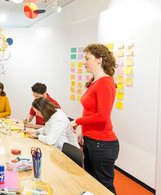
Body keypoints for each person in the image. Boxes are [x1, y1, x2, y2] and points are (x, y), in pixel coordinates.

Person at [70, 43, 119, 194]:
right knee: (92, 184)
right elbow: (90, 111)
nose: (84, 62)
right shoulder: (94, 82)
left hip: (103, 143)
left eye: (87, 58)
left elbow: (102, 117)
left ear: (99, 59)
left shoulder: (105, 83)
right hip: (92, 140)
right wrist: (84, 132)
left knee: (104, 188)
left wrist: (78, 121)